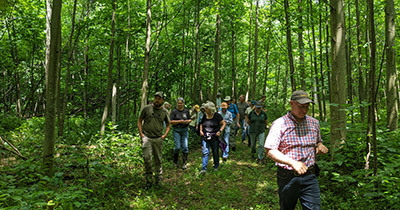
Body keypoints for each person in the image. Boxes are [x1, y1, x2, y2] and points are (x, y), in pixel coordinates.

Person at [264, 90, 329, 210]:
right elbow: (270, 150)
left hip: (310, 175)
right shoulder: (280, 124)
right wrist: (292, 162)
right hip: (288, 177)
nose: (304, 110)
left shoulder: (314, 123)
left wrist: (320, 145)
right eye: (301, 107)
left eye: (307, 107)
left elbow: (318, 141)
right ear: (291, 103)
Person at [137, 91, 171, 188]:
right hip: (147, 138)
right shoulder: (147, 109)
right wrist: (141, 134)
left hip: (158, 139)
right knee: (147, 158)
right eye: (156, 98)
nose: (157, 100)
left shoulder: (164, 112)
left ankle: (158, 179)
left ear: (162, 100)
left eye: (159, 98)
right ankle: (148, 179)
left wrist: (164, 135)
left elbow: (168, 124)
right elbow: (139, 120)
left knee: (158, 159)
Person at [199, 101, 226, 173]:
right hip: (205, 137)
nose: (205, 110)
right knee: (205, 152)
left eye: (206, 108)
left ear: (210, 109)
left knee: (215, 152)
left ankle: (216, 166)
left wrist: (219, 131)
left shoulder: (217, 116)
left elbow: (223, 123)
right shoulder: (204, 116)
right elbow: (201, 123)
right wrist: (201, 131)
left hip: (214, 138)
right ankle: (204, 168)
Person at [170, 98, 192, 170]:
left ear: (183, 103)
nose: (180, 104)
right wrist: (179, 121)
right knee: (177, 147)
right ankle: (175, 161)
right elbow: (171, 121)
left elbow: (190, 119)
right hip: (176, 130)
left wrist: (187, 121)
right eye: (178, 103)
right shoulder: (174, 112)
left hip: (184, 130)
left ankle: (184, 162)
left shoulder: (186, 111)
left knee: (185, 147)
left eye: (181, 103)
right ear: (177, 104)